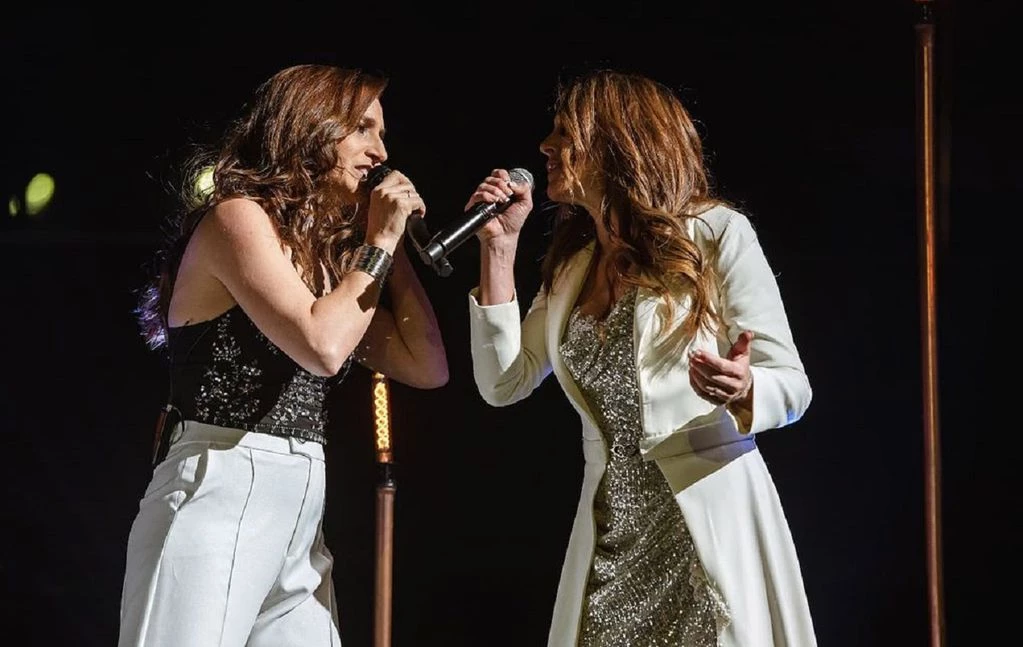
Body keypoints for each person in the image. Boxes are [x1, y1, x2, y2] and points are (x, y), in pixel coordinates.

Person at [465, 69, 816, 646]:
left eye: (563, 133)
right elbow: (504, 383)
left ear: (615, 144)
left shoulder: (716, 233)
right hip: (611, 537)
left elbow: (792, 383)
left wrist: (746, 387)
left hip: (704, 522)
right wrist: (499, 251)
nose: (545, 148)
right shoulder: (573, 266)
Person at [119, 64, 448, 647]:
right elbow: (321, 346)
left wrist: (388, 254)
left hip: (300, 498)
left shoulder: (336, 267)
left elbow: (425, 366)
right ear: (311, 129)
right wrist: (377, 243)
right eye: (364, 129)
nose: (382, 151)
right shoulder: (236, 218)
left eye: (383, 133)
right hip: (220, 478)